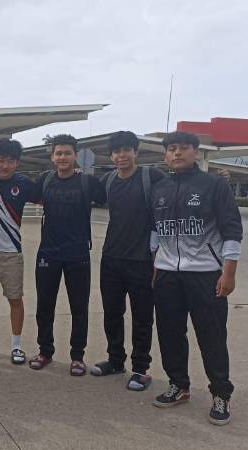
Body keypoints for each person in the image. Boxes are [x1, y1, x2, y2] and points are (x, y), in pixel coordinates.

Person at [150, 131, 242, 426]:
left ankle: (221, 393)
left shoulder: (213, 185)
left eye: (183, 148)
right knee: (170, 333)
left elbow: (232, 229)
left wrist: (229, 272)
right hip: (167, 274)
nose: (177, 153)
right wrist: (155, 262)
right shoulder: (159, 188)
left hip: (205, 274)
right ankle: (178, 385)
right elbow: (155, 229)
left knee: (212, 336)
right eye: (171, 149)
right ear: (165, 155)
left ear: (195, 152)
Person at [90, 131, 165, 391]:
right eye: (116, 151)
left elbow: (173, 197)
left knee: (142, 316)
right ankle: (115, 360)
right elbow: (84, 193)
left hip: (142, 260)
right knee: (112, 313)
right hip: (111, 258)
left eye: (126, 150)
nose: (121, 155)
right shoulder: (108, 180)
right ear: (111, 156)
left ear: (136, 151)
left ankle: (141, 369)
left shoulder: (151, 177)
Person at [28, 134, 106, 375]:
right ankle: (45, 351)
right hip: (48, 253)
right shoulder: (45, 180)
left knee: (79, 308)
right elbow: (25, 193)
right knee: (45, 306)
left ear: (76, 156)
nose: (63, 157)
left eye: (67, 153)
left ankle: (77, 356)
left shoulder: (88, 182)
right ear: (52, 157)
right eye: (58, 153)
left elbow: (108, 195)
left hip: (78, 254)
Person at [0, 139, 38, 364]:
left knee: (15, 299)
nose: (5, 165)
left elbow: (46, 198)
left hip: (12, 252)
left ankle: (16, 346)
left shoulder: (24, 183)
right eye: (1, 160)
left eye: (10, 161)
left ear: (17, 163)